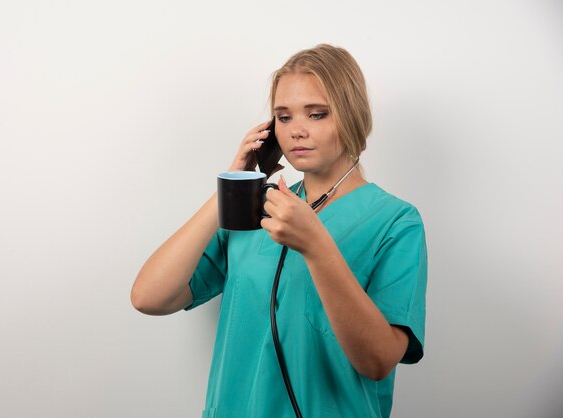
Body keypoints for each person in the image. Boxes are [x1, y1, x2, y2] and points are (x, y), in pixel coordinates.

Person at [131, 44, 428, 418]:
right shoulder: (256, 208)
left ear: (352, 117)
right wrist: (234, 185)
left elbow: (379, 361)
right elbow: (149, 296)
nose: (297, 131)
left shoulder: (395, 222)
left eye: (317, 114)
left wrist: (316, 246)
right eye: (283, 118)